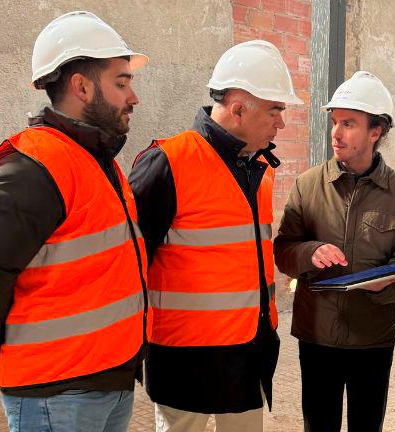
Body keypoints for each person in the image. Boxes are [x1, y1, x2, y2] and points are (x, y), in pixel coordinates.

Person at [0, 11, 149, 432]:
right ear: (81, 86)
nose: (134, 97)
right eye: (122, 83)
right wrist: (3, 346)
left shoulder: (94, 161)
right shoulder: (34, 167)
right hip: (56, 391)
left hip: (106, 378)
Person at [129, 39, 303, 432]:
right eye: (275, 110)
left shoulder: (259, 170)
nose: (281, 123)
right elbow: (126, 264)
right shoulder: (166, 163)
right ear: (239, 108)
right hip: (183, 362)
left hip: (247, 358)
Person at [273, 71, 395, 432]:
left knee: (366, 426)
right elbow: (283, 251)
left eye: (348, 123)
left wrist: (384, 286)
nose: (336, 133)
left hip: (373, 337)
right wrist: (310, 252)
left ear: (376, 132)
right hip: (317, 335)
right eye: (335, 122)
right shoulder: (308, 186)